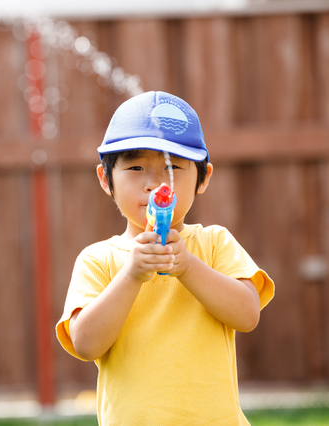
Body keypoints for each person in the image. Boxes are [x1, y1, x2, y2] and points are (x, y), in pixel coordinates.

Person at [55, 91, 275, 425]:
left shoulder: (213, 243)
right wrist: (130, 275)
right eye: (136, 167)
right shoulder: (98, 260)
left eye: (172, 167)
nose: (155, 182)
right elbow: (85, 344)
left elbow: (247, 315)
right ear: (105, 179)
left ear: (203, 177)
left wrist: (187, 266)